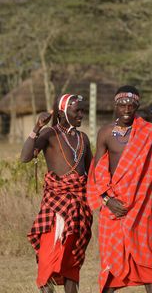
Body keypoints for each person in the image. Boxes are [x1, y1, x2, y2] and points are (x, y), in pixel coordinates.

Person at [87, 86, 152, 292]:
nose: (126, 108)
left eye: (131, 104)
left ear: (137, 106)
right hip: (112, 207)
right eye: (122, 104)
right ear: (115, 105)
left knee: (146, 256)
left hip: (140, 206)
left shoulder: (147, 130)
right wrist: (107, 201)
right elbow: (97, 171)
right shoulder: (105, 132)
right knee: (111, 258)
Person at [21, 94, 93, 293]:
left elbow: (92, 173)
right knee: (48, 254)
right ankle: (47, 287)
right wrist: (37, 127)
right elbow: (25, 157)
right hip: (55, 205)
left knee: (71, 259)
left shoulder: (83, 138)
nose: (81, 114)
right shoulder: (49, 134)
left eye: (82, 110)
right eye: (77, 111)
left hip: (79, 206)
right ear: (62, 113)